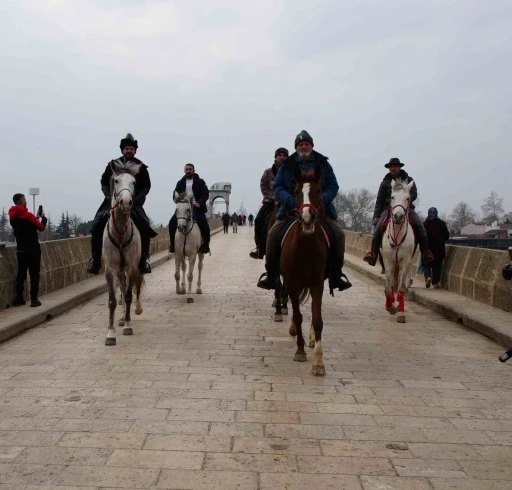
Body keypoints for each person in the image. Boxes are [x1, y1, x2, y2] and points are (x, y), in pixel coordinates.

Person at [257, 130, 351, 292]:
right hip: (291, 210)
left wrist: (322, 200)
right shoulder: (287, 165)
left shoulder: (323, 163)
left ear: (312, 146)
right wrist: (291, 201)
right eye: (300, 144)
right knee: (272, 236)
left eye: (307, 144)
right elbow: (278, 187)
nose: (304, 146)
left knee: (339, 235)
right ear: (296, 148)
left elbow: (333, 186)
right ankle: (271, 275)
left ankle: (336, 274)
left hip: (319, 211)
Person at [87, 133, 157, 275]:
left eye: (132, 148)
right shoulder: (113, 165)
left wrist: (137, 199)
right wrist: (108, 196)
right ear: (122, 150)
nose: (129, 151)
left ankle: (144, 259)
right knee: (97, 225)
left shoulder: (140, 166)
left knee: (144, 225)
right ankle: (95, 260)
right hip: (112, 201)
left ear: (135, 150)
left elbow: (146, 186)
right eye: (127, 148)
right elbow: (103, 182)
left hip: (133, 202)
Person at [363, 157, 434, 267]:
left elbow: (414, 194)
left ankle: (426, 253)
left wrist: (404, 201)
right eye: (391, 167)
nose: (393, 168)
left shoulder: (408, 179)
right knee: (377, 230)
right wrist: (376, 215)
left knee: (421, 228)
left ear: (400, 167)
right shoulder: (385, 182)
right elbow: (380, 199)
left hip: (406, 208)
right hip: (388, 209)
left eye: (395, 166)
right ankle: (373, 254)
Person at [250, 147, 289, 259]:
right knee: (258, 220)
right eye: (279, 155)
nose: (282, 157)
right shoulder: (268, 172)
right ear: (275, 157)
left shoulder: (291, 171)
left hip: (286, 203)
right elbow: (263, 187)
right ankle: (259, 247)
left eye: (284, 155)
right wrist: (273, 197)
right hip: (270, 203)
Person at [9, 194, 48, 307]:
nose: (26, 201)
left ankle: (19, 297)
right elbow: (40, 227)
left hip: (21, 249)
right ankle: (34, 299)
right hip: (33, 249)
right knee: (34, 274)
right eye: (25, 199)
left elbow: (25, 225)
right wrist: (43, 218)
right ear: (21, 201)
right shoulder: (27, 215)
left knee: (21, 273)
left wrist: (35, 218)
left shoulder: (12, 216)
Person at [168, 163, 210, 254]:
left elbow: (206, 194)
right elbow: (175, 194)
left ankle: (206, 245)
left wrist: (199, 202)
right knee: (171, 223)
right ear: (184, 171)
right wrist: (176, 200)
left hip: (196, 208)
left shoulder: (200, 181)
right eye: (186, 169)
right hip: (184, 208)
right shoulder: (180, 182)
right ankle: (172, 244)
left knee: (204, 224)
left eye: (190, 169)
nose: (188, 171)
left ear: (194, 170)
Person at [423, 207, 450, 288]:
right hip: (439, 248)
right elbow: (447, 236)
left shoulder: (424, 224)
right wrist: (441, 240)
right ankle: (435, 283)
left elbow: (421, 236)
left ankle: (428, 277)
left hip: (427, 248)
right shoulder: (442, 223)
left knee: (426, 264)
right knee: (437, 266)